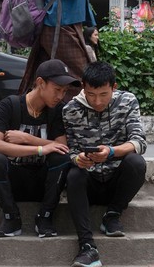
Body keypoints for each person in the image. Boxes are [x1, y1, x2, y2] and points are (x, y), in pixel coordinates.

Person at [63, 61, 147, 267]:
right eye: (91, 95)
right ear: (83, 87)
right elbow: (70, 150)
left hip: (116, 181)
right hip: (88, 181)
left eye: (103, 95)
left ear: (114, 87)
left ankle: (113, 214)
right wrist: (78, 158)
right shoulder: (70, 109)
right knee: (73, 174)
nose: (97, 101)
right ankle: (87, 246)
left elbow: (139, 142)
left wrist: (112, 152)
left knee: (136, 161)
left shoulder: (128, 102)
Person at [0, 59, 80, 238]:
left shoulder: (57, 110)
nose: (60, 96)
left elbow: (61, 147)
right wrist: (40, 149)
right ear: (40, 83)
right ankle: (11, 218)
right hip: (13, 180)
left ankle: (45, 217)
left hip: (43, 183)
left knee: (62, 159)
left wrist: (27, 139)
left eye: (65, 91)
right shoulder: (10, 105)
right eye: (57, 89)